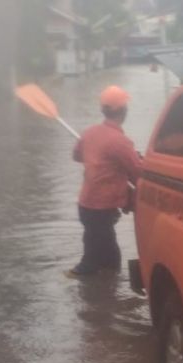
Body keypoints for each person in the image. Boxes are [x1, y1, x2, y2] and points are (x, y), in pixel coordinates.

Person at [67, 85, 142, 277]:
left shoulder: (90, 132)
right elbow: (138, 172)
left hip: (86, 202)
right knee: (96, 253)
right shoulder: (120, 141)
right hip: (103, 204)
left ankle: (107, 288)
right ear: (124, 111)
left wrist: (98, 158)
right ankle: (91, 277)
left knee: (103, 243)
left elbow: (77, 156)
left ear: (103, 110)